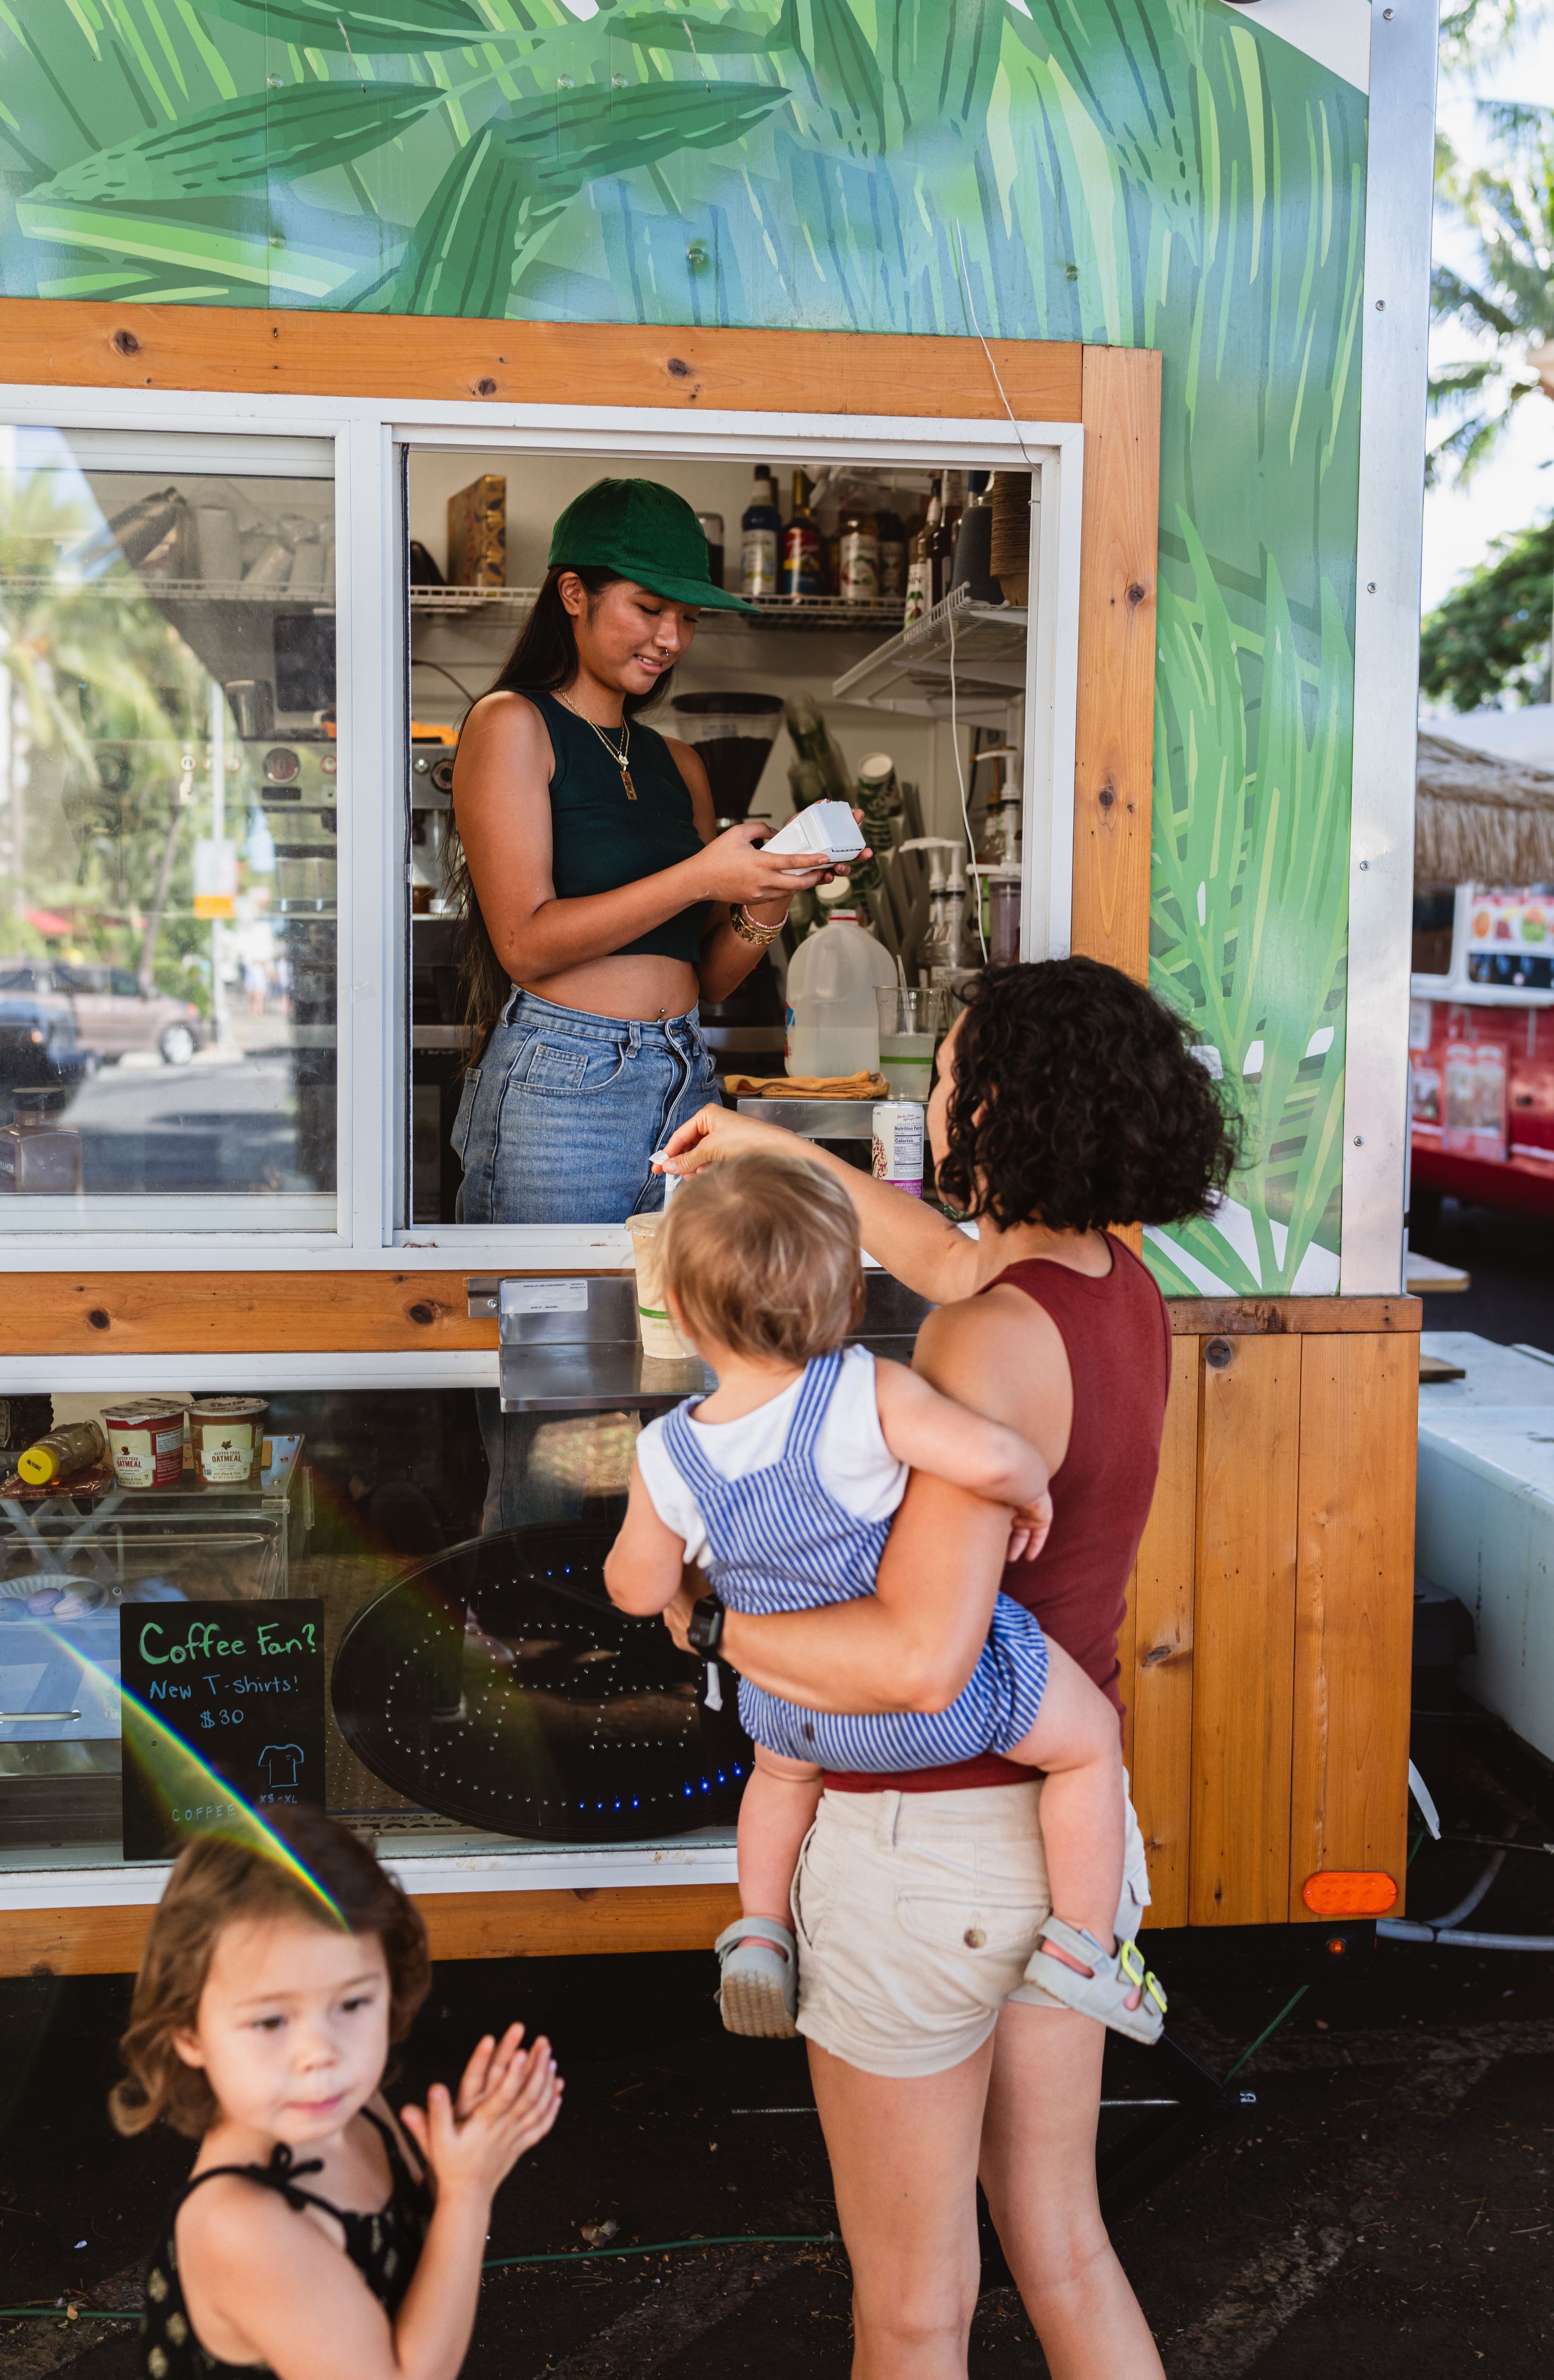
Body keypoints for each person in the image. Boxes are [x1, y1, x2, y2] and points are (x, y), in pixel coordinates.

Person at [653, 957, 1237, 2380]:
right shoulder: (1105, 1282)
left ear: (1007, 1105)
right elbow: (934, 1250)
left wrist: (708, 1622)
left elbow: (920, 1660)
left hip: (924, 1853)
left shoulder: (985, 1336)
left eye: (951, 1073)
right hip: (1060, 1855)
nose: (935, 1096)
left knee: (913, 2308)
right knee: (1063, 2244)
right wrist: (766, 1147)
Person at [603, 1150, 1163, 2048]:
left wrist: (688, 1592)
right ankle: (1081, 1946)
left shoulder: (669, 1452)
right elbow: (987, 1457)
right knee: (1089, 1742)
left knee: (777, 1779)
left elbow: (634, 1587)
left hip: (790, 1703)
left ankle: (759, 1931)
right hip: (942, 1720)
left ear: (669, 1304)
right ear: (850, 1303)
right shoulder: (864, 1390)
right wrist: (1029, 1484)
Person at [447, 475, 861, 1230]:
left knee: (675, 1329)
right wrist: (703, 875)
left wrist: (772, 891)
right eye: (648, 608)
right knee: (555, 1331)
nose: (670, 639)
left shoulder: (680, 763)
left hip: (683, 1075)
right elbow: (523, 944)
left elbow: (702, 977)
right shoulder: (513, 723)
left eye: (688, 618)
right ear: (574, 594)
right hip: (562, 1087)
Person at [111, 1805, 562, 2380]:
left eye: (351, 2004)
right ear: (188, 2032)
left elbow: (413, 2258)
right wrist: (468, 2194)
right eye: (271, 2022)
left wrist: (456, 2158)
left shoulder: (353, 2111)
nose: (320, 2053)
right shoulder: (242, 2225)